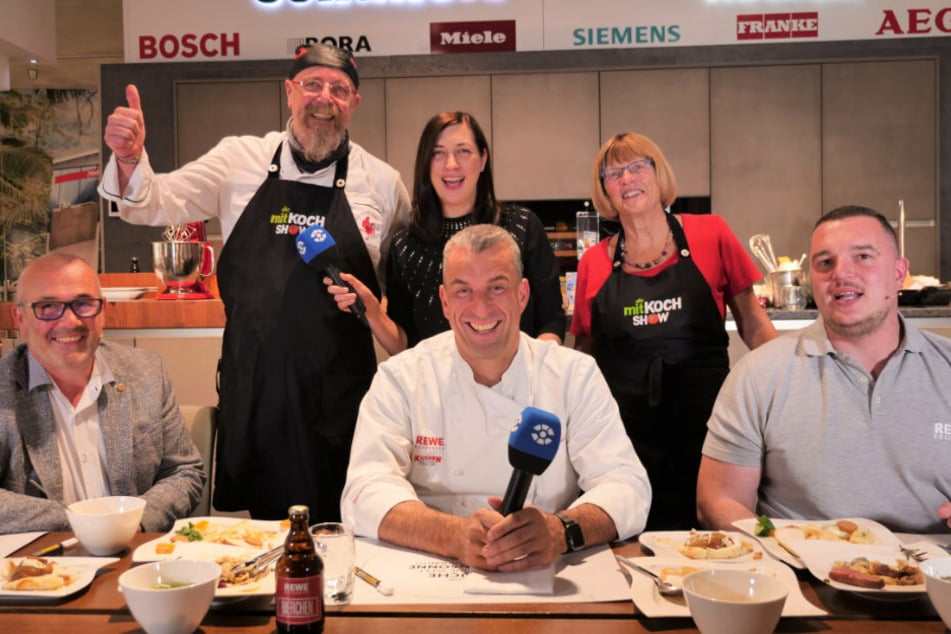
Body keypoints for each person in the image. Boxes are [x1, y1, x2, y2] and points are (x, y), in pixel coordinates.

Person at [98, 43, 411, 520]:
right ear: (289, 92)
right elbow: (153, 201)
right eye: (312, 84)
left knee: (351, 527)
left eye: (339, 89)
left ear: (354, 103)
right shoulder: (239, 160)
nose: (324, 99)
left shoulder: (383, 183)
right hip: (257, 384)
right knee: (261, 541)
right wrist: (129, 158)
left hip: (345, 395)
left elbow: (400, 296)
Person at [341, 224, 651, 571]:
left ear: (522, 295)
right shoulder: (402, 378)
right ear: (444, 301)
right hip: (428, 572)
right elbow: (363, 491)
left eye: (496, 288)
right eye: (463, 291)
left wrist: (561, 531)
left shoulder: (573, 376)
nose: (481, 308)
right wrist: (451, 535)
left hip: (547, 571)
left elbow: (627, 486)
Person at [697, 205, 951, 534]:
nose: (841, 274)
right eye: (825, 263)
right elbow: (718, 501)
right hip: (801, 577)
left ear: (899, 273)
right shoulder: (758, 376)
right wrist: (784, 545)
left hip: (935, 574)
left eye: (863, 256)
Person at [570, 132, 777, 531]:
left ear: (657, 173)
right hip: (625, 443)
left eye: (637, 166)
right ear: (604, 191)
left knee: (713, 543)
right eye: (613, 174)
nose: (627, 179)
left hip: (711, 435)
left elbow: (754, 325)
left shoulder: (711, 234)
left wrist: (789, 392)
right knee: (632, 542)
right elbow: (584, 358)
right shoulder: (594, 263)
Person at [327, 111, 565, 355]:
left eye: (463, 151)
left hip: (518, 387)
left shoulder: (523, 227)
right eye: (438, 153)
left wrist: (537, 373)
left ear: (483, 159)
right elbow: (405, 346)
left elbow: (551, 320)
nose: (451, 164)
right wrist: (373, 311)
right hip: (437, 391)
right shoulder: (405, 244)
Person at [0, 253, 204, 533]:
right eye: (48, 306)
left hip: (136, 558)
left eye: (83, 304)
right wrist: (84, 521)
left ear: (103, 311)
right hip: (38, 567)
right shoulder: (3, 388)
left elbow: (184, 472)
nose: (70, 321)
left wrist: (135, 523)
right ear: (20, 318)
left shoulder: (147, 372)